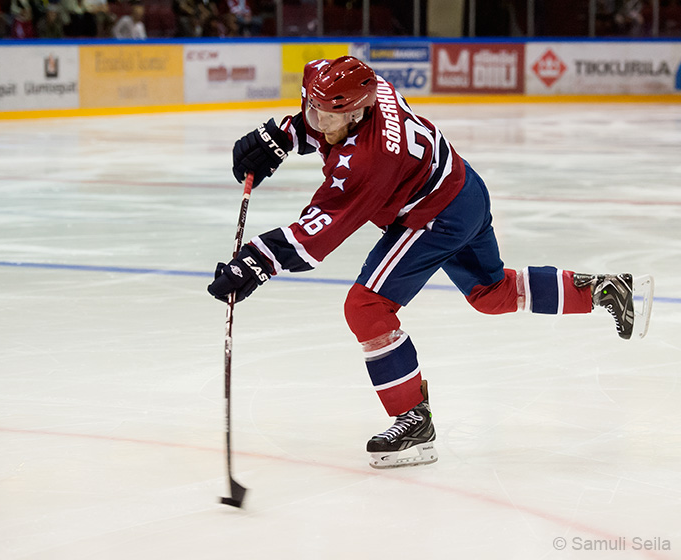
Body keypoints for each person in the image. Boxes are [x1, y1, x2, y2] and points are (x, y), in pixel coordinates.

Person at [207, 56, 654, 469]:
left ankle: (413, 423)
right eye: (312, 109)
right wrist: (280, 137)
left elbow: (315, 237)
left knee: (366, 307)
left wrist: (253, 263)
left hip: (434, 217)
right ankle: (606, 290)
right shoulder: (367, 86)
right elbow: (321, 116)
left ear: (357, 114)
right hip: (464, 190)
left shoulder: (368, 160)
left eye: (328, 116)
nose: (317, 122)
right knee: (490, 294)